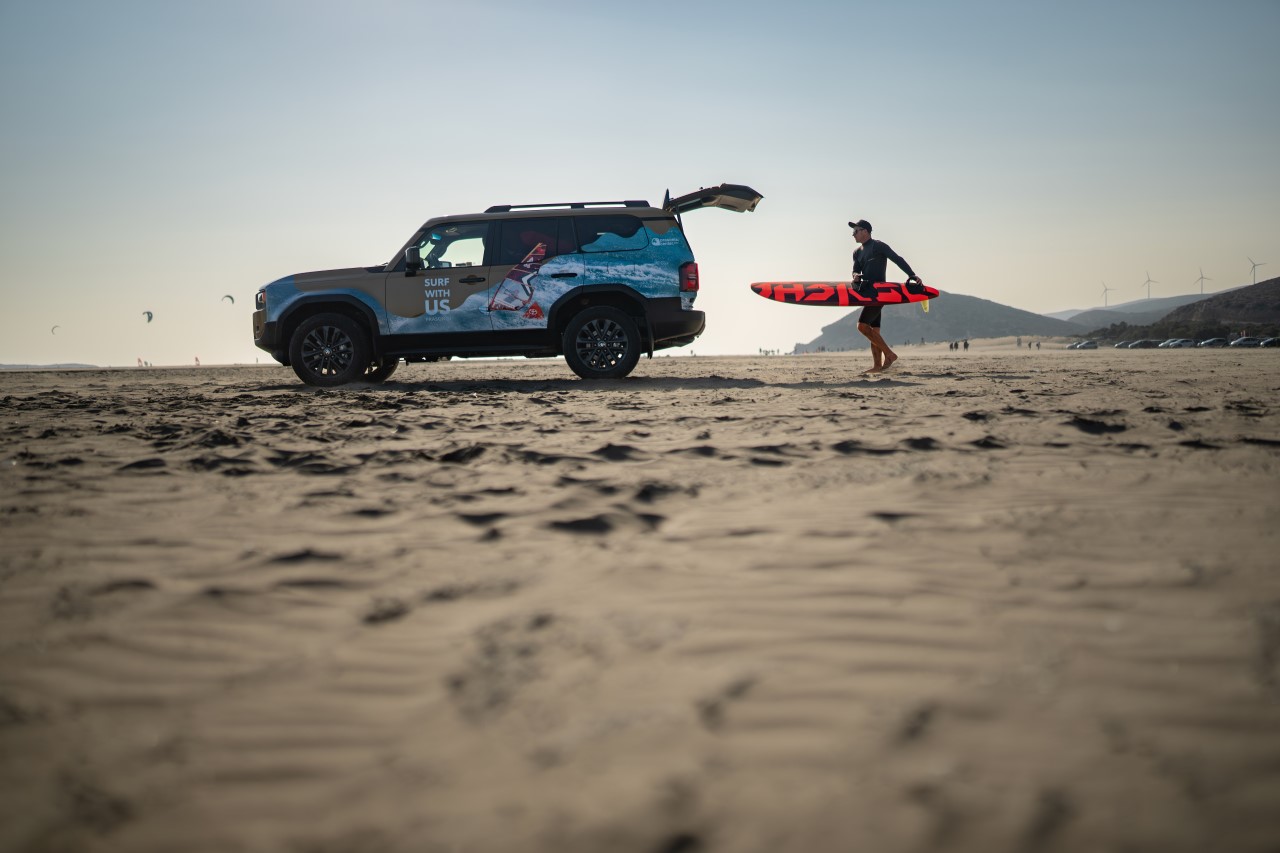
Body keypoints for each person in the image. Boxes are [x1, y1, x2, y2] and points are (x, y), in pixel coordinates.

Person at [849, 219, 924, 373]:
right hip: (867, 293)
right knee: (874, 331)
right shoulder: (857, 252)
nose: (853, 234)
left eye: (855, 231)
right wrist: (855, 275)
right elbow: (855, 270)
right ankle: (877, 366)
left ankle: (889, 354)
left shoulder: (878, 246)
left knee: (862, 326)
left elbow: (897, 259)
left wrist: (912, 275)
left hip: (879, 293)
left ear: (865, 231)